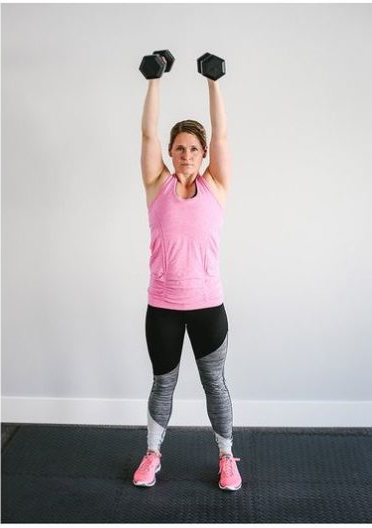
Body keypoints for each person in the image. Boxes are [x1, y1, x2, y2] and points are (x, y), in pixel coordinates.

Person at [132, 65, 241, 490]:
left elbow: (223, 135)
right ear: (171, 152)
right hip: (162, 307)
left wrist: (213, 82)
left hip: (208, 306)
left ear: (203, 154)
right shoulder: (155, 184)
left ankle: (227, 458)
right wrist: (153, 80)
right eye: (179, 148)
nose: (186, 155)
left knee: (215, 383)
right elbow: (146, 135)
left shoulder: (217, 185)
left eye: (194, 149)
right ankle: (152, 454)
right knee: (163, 383)